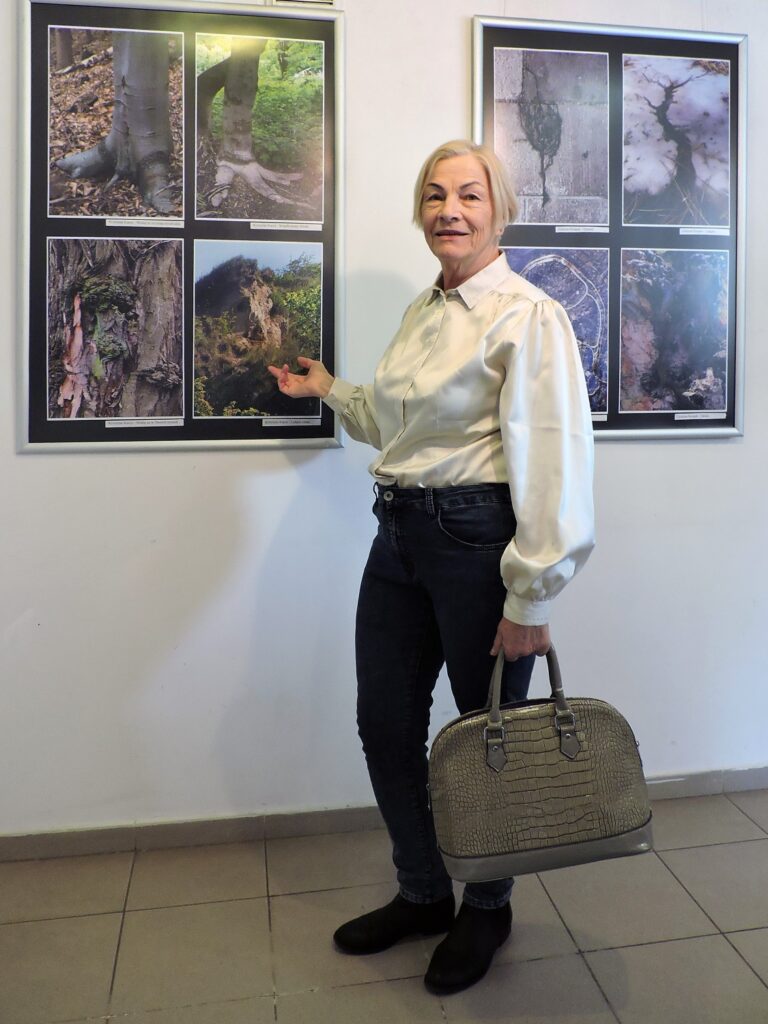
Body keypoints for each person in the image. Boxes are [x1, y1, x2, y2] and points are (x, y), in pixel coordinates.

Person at [268, 139, 594, 995]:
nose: (450, 210)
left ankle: (487, 906)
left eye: (469, 195)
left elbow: (555, 462)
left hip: (478, 545)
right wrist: (330, 390)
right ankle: (422, 892)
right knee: (384, 723)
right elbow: (396, 425)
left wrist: (531, 596)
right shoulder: (425, 308)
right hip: (399, 537)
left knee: (487, 740)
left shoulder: (528, 315)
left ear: (500, 210)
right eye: (436, 195)